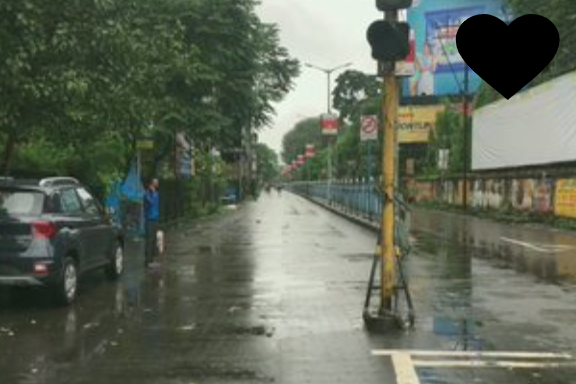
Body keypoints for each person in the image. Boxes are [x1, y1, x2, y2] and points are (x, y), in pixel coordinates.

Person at [143, 178, 160, 268]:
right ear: (151, 184)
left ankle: (153, 260)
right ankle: (147, 261)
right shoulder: (147, 194)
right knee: (149, 240)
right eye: (155, 183)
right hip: (149, 220)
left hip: (155, 219)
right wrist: (152, 192)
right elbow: (151, 203)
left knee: (154, 240)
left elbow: (157, 206)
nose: (157, 184)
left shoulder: (157, 194)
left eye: (157, 183)